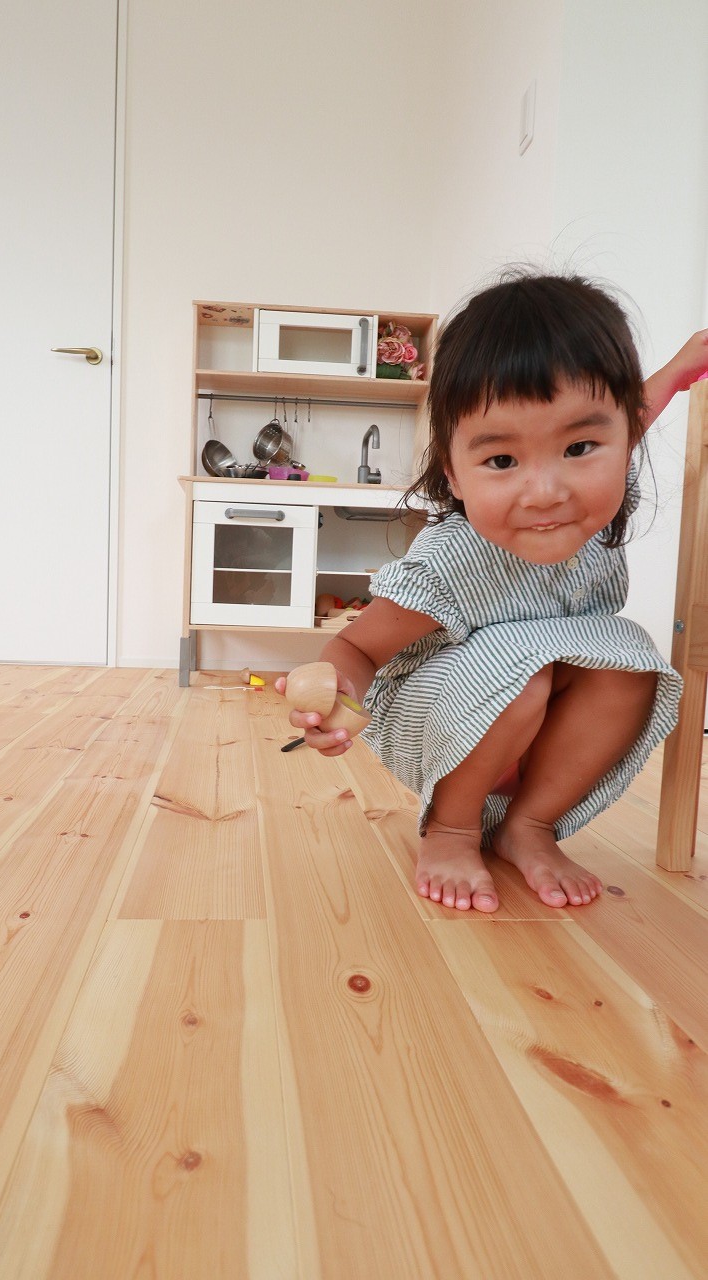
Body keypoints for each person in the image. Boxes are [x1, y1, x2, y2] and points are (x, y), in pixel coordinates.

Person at [277, 272, 708, 913]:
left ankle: (527, 825)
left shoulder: (587, 506)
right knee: (524, 669)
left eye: (579, 448)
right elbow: (359, 649)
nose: (546, 493)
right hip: (438, 724)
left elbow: (623, 416)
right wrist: (334, 694)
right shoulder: (452, 560)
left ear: (621, 446)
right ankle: (451, 828)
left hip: (529, 724)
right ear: (452, 473)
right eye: (502, 461)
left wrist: (678, 369)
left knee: (630, 659)